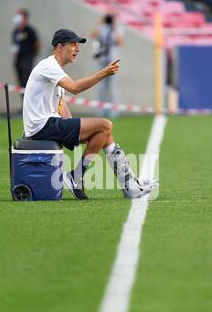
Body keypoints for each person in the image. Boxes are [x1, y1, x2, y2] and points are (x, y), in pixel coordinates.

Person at [23, 28, 158, 200]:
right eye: (73, 45)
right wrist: (104, 73)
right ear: (59, 47)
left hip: (48, 125)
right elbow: (75, 88)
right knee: (105, 125)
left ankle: (129, 185)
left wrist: (78, 133)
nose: (77, 49)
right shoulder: (49, 66)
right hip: (42, 127)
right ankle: (78, 177)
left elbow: (62, 107)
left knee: (102, 133)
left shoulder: (55, 69)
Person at [90, 12, 124, 112]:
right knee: (101, 87)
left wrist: (115, 26)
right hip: (102, 59)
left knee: (113, 88)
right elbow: (93, 34)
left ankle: (114, 112)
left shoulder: (118, 28)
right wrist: (100, 21)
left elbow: (120, 42)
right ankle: (101, 111)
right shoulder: (102, 27)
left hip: (113, 61)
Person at [11, 8, 40, 88]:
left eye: (19, 15)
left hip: (27, 59)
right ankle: (23, 99)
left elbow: (36, 43)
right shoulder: (16, 31)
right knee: (21, 83)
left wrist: (33, 55)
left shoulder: (29, 30)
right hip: (18, 59)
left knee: (26, 80)